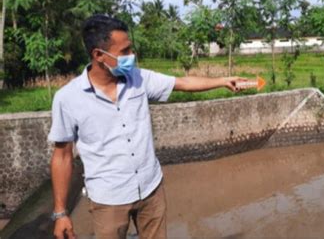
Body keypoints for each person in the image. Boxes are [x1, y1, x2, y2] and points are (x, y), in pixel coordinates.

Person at [48, 14, 245, 239]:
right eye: (125, 51)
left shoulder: (139, 79)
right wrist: (61, 213)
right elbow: (62, 156)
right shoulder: (68, 99)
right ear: (99, 55)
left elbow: (182, 83)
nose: (132, 56)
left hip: (151, 189)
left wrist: (223, 81)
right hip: (109, 200)